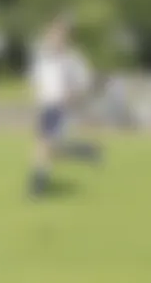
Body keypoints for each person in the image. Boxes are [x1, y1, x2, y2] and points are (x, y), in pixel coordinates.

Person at [28, 18, 101, 196]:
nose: (53, 39)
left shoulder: (72, 59)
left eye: (57, 36)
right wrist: (36, 94)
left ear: (65, 38)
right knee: (49, 147)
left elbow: (85, 81)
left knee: (44, 145)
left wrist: (73, 95)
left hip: (61, 107)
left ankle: (38, 185)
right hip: (45, 106)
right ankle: (85, 151)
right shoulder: (43, 57)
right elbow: (37, 79)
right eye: (51, 35)